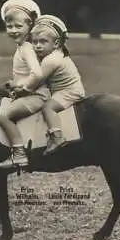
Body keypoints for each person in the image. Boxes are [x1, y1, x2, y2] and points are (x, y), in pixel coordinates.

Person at [0, 0, 51, 168]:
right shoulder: (22, 46)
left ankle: (19, 153)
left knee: (3, 116)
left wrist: (23, 87)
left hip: (37, 96)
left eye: (18, 26)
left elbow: (36, 73)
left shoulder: (27, 48)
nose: (13, 30)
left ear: (30, 27)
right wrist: (15, 82)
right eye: (9, 26)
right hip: (31, 92)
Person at [26, 14, 86, 155]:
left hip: (69, 91)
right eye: (34, 42)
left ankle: (57, 137)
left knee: (48, 107)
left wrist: (20, 88)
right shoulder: (53, 54)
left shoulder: (51, 60)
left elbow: (35, 82)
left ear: (57, 43)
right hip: (61, 89)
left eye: (43, 42)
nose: (38, 46)